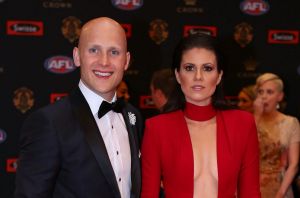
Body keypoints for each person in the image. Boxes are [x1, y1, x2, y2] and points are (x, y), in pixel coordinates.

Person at [15, 17, 143, 198]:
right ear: (77, 56)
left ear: (126, 60)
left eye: (114, 52)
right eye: (94, 50)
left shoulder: (133, 116)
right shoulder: (50, 123)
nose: (104, 62)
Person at [141, 33, 261, 198]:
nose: (198, 77)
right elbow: (149, 194)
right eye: (189, 68)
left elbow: (251, 193)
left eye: (207, 68)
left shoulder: (242, 124)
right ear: (177, 75)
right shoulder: (157, 128)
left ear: (219, 76)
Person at [253, 73, 300, 198]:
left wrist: (280, 194)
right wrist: (256, 117)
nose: (264, 97)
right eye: (260, 92)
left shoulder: (291, 123)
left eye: (269, 92)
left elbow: (294, 164)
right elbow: (239, 153)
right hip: (251, 185)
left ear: (280, 96)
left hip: (280, 185)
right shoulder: (247, 121)